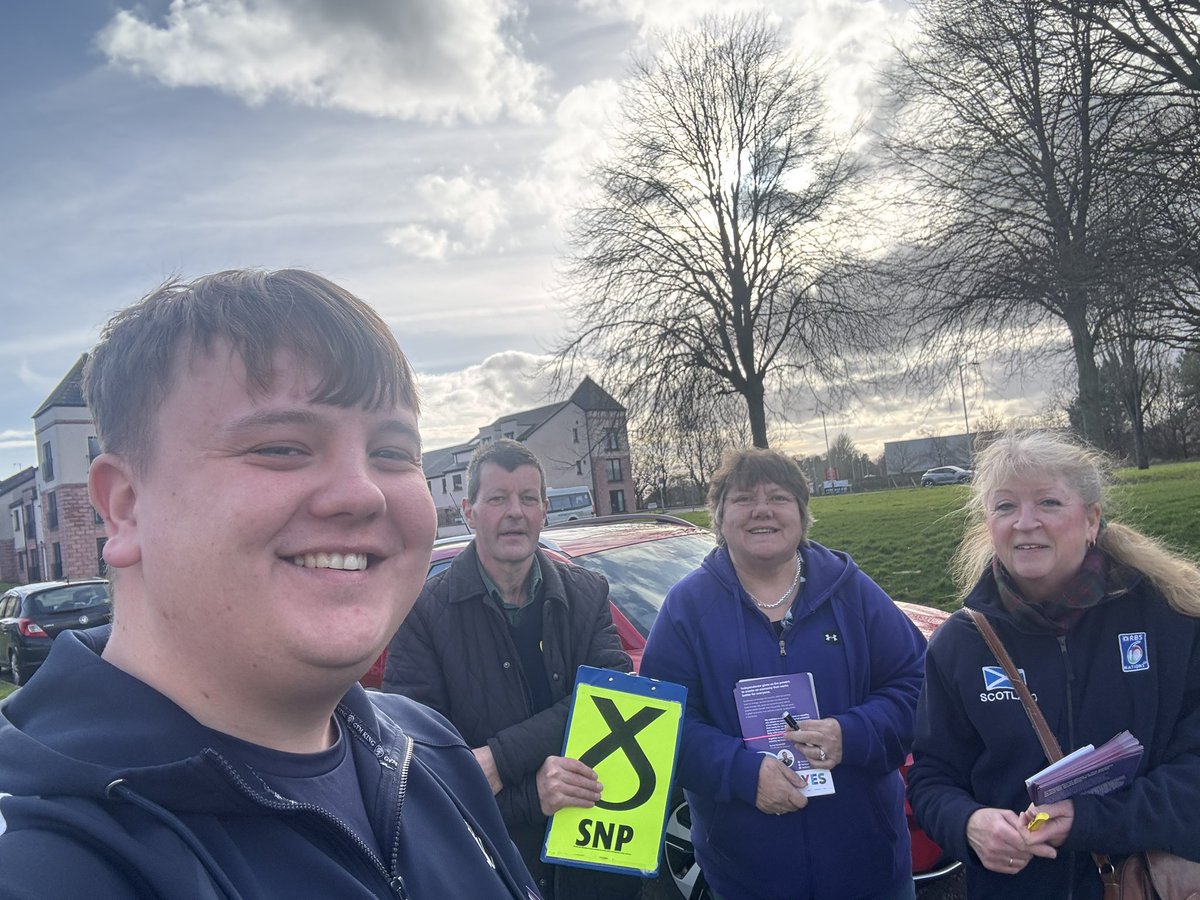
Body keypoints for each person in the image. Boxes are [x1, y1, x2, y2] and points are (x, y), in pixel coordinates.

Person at [0, 270, 541, 899]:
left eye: (392, 453)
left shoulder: (431, 751)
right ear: (125, 507)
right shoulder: (47, 867)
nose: (362, 492)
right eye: (282, 448)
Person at [907, 430, 1200, 899]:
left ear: (1091, 520)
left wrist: (1092, 820)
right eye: (1005, 507)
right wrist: (969, 824)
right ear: (989, 524)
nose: (1025, 522)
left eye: (1048, 503)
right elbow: (931, 777)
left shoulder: (1171, 618)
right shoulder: (962, 641)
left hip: (1144, 882)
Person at [638, 448, 927, 900]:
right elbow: (660, 722)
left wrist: (848, 734)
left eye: (778, 497)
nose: (762, 510)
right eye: (742, 499)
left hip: (869, 869)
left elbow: (917, 686)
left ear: (801, 513)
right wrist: (741, 773)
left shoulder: (852, 592)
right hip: (747, 877)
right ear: (719, 517)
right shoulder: (687, 608)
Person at [382, 438, 640, 900]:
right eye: (498, 498)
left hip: (595, 861)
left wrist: (500, 757)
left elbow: (615, 703)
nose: (514, 512)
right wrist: (530, 798)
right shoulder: (421, 615)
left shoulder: (588, 594)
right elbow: (419, 770)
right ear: (469, 511)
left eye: (527, 498)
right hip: (491, 866)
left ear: (544, 508)